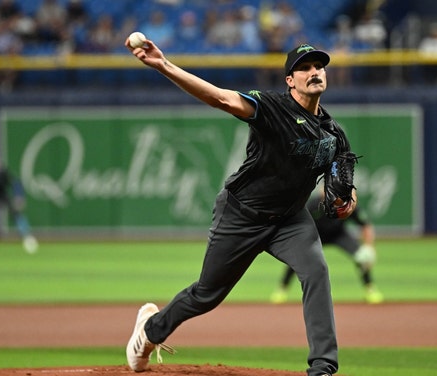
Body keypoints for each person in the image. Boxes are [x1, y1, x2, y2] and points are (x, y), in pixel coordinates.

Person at [124, 37, 359, 376]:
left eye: (319, 66)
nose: (314, 71)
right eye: (304, 67)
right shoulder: (272, 107)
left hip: (291, 220)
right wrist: (164, 65)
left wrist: (349, 202)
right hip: (241, 214)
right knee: (206, 294)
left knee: (317, 271)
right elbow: (220, 97)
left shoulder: (334, 133)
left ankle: (323, 366)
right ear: (290, 80)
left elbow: (343, 185)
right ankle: (149, 331)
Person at [270, 189, 383, 305]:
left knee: (362, 257)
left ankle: (370, 289)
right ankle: (282, 289)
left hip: (338, 234)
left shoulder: (346, 204)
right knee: (298, 257)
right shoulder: (314, 204)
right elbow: (299, 224)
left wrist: (369, 247)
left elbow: (366, 225)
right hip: (316, 234)